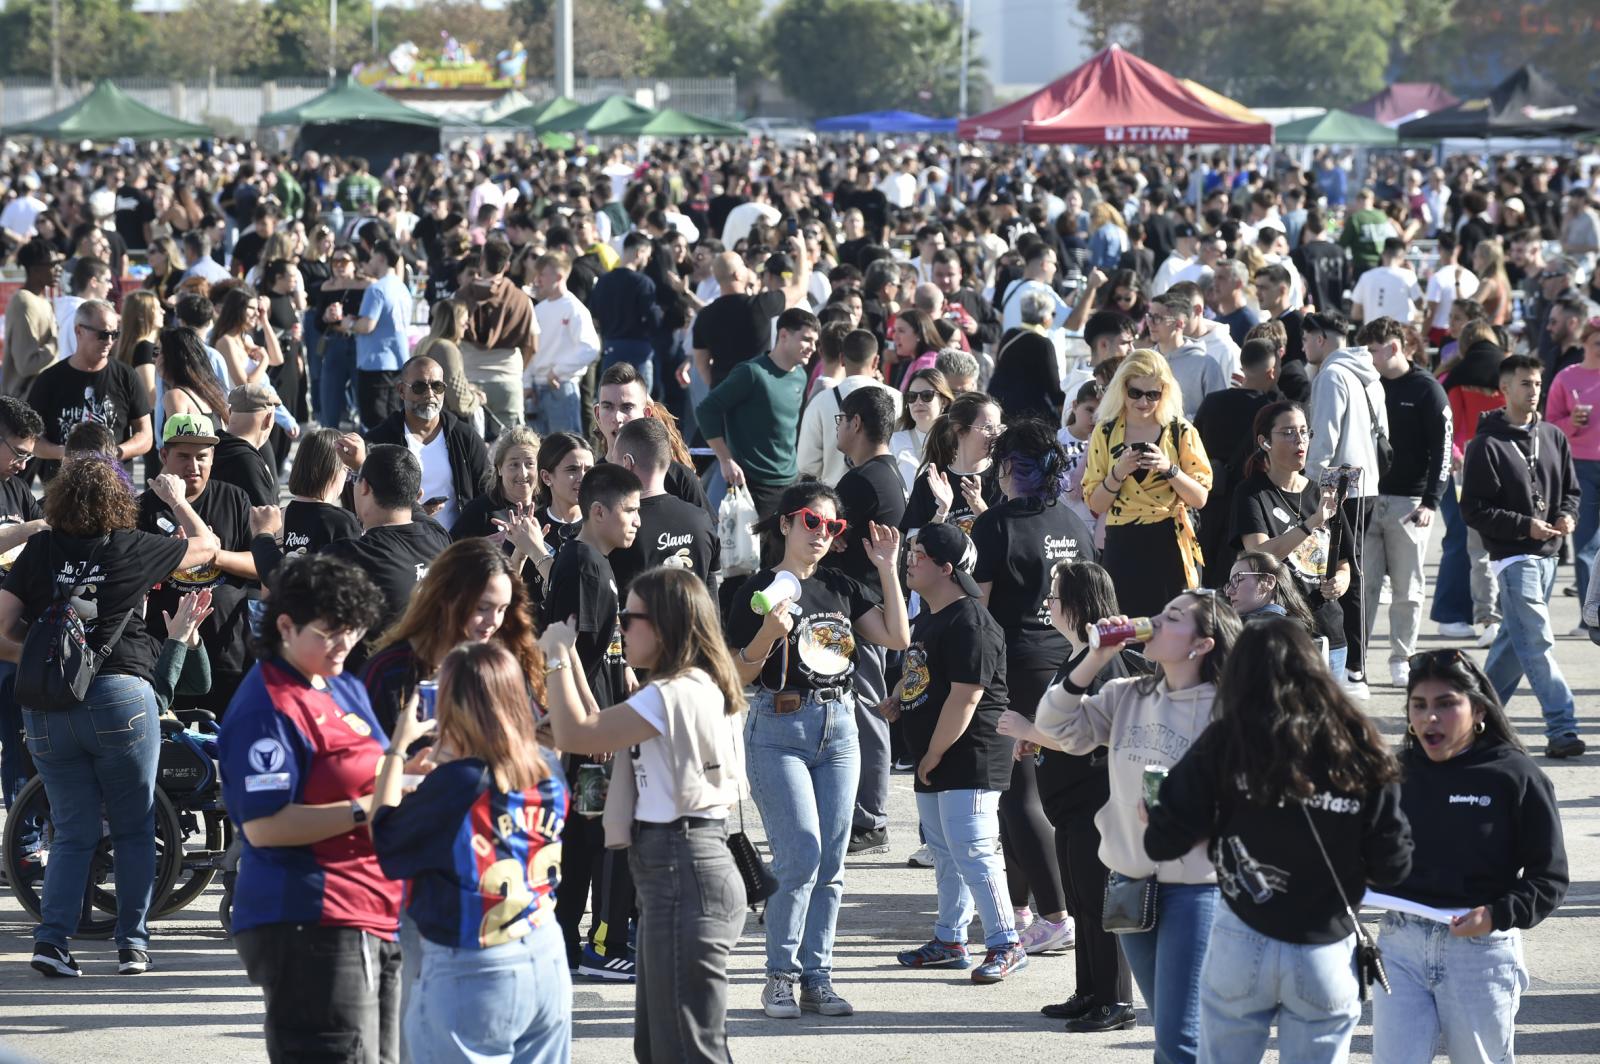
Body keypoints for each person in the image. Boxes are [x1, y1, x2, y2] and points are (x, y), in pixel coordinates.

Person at [1145, 620, 1414, 1064]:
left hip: (1241, 936)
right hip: (1324, 944)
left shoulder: (1226, 742)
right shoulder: (1359, 746)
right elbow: (1394, 866)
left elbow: (1162, 841)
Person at [1008, 589, 1240, 1064]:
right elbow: (1056, 724)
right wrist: (1093, 657)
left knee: (1179, 1035)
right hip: (1127, 878)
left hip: (1196, 888)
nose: (1153, 620)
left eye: (1172, 617)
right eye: (1159, 610)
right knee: (1167, 1019)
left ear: (1202, 645)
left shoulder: (1227, 711)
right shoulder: (1128, 694)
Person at [3, 460, 215, 978]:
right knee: (133, 826)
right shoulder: (130, 546)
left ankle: (52, 941)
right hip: (120, 696)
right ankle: (132, 945)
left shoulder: (39, 550)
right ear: (118, 504)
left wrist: (46, 662)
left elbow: (0, 632)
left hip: (47, 707)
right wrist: (177, 500)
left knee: (71, 829)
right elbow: (207, 546)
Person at [541, 567, 748, 1063]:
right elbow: (586, 734)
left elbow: (578, 735)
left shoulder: (672, 692)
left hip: (686, 866)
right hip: (679, 866)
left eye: (628, 618)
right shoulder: (685, 687)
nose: (620, 628)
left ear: (663, 625)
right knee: (659, 1046)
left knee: (686, 1049)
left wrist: (556, 654)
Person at [218, 553, 413, 1062]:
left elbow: (370, 774)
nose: (345, 643)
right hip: (311, 917)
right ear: (285, 625)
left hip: (375, 911)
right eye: (329, 631)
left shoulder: (342, 681)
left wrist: (414, 774)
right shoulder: (268, 705)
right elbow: (263, 827)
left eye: (353, 629)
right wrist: (364, 809)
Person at [726, 482, 909, 1019]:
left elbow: (897, 637)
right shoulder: (754, 588)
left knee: (831, 860)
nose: (822, 534)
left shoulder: (839, 585)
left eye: (833, 527)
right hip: (778, 727)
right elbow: (739, 671)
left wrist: (888, 567)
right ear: (785, 523)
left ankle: (818, 976)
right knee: (801, 852)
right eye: (812, 521)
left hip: (840, 726)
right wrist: (767, 631)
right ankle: (778, 977)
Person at [370, 640, 568, 1064]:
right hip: (544, 946)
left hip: (476, 962)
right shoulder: (547, 765)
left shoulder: (460, 782)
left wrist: (396, 750)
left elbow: (384, 841)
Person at [1372, 649, 1568, 1062]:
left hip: (1480, 953)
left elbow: (1548, 878)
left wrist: (1495, 915)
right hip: (1399, 947)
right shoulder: (1393, 772)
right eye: (1419, 705)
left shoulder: (1516, 775)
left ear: (1478, 709)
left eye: (1446, 704)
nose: (1430, 718)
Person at [970, 419, 1096, 953]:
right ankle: (1021, 907)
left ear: (1005, 468)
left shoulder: (995, 525)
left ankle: (1055, 911)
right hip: (1069, 662)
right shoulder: (1073, 521)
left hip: (1014, 665)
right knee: (1030, 791)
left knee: (1017, 790)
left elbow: (977, 603)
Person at [884, 523, 1026, 983]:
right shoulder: (930, 617)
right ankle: (950, 938)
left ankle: (1007, 942)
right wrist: (898, 698)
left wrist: (932, 754)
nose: (910, 560)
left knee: (975, 849)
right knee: (945, 852)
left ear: (946, 568)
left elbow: (966, 696)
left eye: (919, 554)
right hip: (937, 754)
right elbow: (924, 672)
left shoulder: (972, 620)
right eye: (910, 551)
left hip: (971, 754)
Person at [542, 462, 642, 980]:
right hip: (588, 734)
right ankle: (579, 945)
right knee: (585, 837)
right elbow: (569, 649)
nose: (636, 522)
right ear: (598, 511)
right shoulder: (582, 563)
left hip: (596, 724)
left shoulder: (596, 561)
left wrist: (622, 669)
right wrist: (593, 721)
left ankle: (575, 941)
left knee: (592, 831)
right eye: (628, 511)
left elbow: (601, 645)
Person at [1459, 354, 1584, 759]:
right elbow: (1473, 510)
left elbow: (1571, 491)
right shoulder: (1485, 444)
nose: (1534, 392)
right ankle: (1562, 726)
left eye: (1537, 384)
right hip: (1515, 559)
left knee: (1514, 648)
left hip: (1548, 557)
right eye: (1525, 384)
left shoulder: (1553, 436)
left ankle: (1471, 721)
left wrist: (1566, 515)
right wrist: (1523, 525)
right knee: (1537, 641)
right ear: (1506, 388)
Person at [827, 387, 910, 854]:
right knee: (865, 707)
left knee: (867, 709)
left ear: (856, 423)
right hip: (874, 606)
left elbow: (831, 536)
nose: (838, 425)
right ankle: (865, 814)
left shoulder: (861, 483)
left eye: (841, 417)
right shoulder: (886, 473)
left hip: (864, 612)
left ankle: (869, 818)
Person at [138, 413, 259, 714]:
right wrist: (174, 554)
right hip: (165, 656)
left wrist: (213, 554)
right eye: (183, 456)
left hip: (227, 654)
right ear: (164, 455)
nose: (194, 466)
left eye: (202, 457)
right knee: (170, 756)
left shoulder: (234, 498)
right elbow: (132, 575)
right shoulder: (140, 509)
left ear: (213, 456)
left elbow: (258, 564)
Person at [361, 535, 542, 734]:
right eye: (482, 608)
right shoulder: (388, 671)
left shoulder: (499, 664)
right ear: (446, 598)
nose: (494, 621)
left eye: (502, 610)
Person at [1083, 348, 1213, 618]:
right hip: (1123, 541)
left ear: (1165, 392)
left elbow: (1200, 498)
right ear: (1122, 389)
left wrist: (1168, 468)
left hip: (1170, 538)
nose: (1143, 402)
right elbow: (1095, 503)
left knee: (1175, 627)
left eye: (1153, 394)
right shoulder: (1105, 432)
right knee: (1124, 628)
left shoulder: (1180, 430)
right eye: (1135, 393)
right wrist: (1119, 472)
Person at [1231, 400, 1353, 673]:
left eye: (1303, 431)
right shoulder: (1251, 493)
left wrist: (1340, 582)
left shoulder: (1322, 492)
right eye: (1287, 432)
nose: (1299, 440)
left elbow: (1344, 562)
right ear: (1264, 442)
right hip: (1278, 633)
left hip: (1328, 632)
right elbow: (1259, 556)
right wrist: (1313, 522)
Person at [1361, 318, 1451, 686]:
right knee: (1362, 586)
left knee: (1407, 588)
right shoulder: (1367, 384)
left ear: (1393, 347)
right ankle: (1356, 658)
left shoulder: (1427, 389)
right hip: (1368, 498)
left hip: (1410, 502)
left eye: (1372, 351)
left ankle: (1402, 657)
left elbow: (1443, 446)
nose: (1368, 358)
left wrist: (1432, 500)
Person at [1304, 310, 1385, 697]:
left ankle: (1355, 668)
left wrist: (1310, 479)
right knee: (1352, 571)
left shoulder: (1333, 374)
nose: (1304, 349)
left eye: (1306, 340)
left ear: (1321, 338)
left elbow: (1323, 437)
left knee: (1346, 573)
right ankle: (1355, 665)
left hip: (1341, 486)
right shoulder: (1369, 373)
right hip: (1365, 483)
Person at [322, 443, 453, 647]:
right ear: (417, 495)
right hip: (436, 667)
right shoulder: (438, 536)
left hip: (377, 673)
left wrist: (264, 534)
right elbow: (411, 505)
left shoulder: (348, 556)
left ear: (364, 487)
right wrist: (364, 468)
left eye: (356, 480)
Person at [697, 306, 820, 516]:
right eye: (806, 339)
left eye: (815, 342)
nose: (812, 348)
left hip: (789, 482)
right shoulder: (751, 373)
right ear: (783, 335)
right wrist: (726, 460)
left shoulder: (800, 374)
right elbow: (706, 410)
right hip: (754, 486)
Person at [362, 356, 492, 533]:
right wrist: (412, 514)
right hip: (401, 545)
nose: (430, 394)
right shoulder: (379, 441)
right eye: (419, 387)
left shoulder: (465, 437)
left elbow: (487, 493)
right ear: (401, 391)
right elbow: (366, 505)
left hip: (456, 547)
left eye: (437, 386)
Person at [27, 298, 154, 479]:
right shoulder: (50, 380)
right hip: (63, 489)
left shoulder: (126, 376)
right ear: (79, 331)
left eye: (115, 334)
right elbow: (32, 439)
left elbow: (145, 435)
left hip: (114, 487)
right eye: (102, 334)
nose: (109, 341)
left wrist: (115, 453)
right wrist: (65, 453)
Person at [1432, 337, 1506, 642]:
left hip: (1461, 465)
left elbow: (1454, 429)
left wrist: (1456, 454)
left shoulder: (1452, 378)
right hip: (1481, 466)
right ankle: (1482, 616)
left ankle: (1472, 616)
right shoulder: (1506, 377)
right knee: (1477, 545)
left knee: (1465, 542)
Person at [1193, 337, 1282, 584]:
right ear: (1272, 372)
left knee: (1207, 574)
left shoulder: (1212, 402)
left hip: (1209, 498)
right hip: (1252, 503)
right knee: (1245, 575)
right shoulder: (1271, 410)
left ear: (1242, 367)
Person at [607, 416, 719, 595]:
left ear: (627, 463)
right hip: (696, 622)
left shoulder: (621, 525)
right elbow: (710, 584)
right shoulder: (701, 519)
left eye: (614, 460)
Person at [1546, 316, 1600, 628]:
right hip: (1580, 466)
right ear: (1584, 343)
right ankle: (1589, 616)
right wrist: (1571, 424)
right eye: (1597, 343)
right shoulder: (1567, 378)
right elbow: (1550, 424)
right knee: (1586, 546)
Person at [797, 328, 901, 487]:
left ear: (842, 359)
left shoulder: (820, 401)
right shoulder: (897, 399)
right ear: (875, 361)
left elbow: (806, 465)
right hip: (886, 493)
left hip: (833, 500)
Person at [461, 236, 540, 432]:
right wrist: (518, 372)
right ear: (507, 265)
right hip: (507, 380)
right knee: (509, 449)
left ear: (481, 261)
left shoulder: (461, 296)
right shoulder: (521, 299)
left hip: (469, 380)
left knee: (469, 450)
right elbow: (533, 345)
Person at [901, 392, 1004, 539]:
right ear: (959, 429)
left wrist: (979, 507)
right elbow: (914, 546)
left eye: (999, 428)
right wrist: (941, 511)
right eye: (987, 427)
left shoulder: (1006, 477)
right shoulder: (930, 482)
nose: (996, 435)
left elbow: (1011, 543)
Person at [526, 251, 599, 436]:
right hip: (536, 390)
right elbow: (530, 349)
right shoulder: (538, 309)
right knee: (540, 454)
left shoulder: (575, 308)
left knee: (565, 452)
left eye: (543, 274)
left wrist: (557, 371)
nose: (538, 279)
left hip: (562, 388)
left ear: (558, 276)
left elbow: (591, 347)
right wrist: (526, 382)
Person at [343, 239, 412, 430]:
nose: (370, 261)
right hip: (399, 362)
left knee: (375, 425)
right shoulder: (403, 288)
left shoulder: (376, 289)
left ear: (380, 258)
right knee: (394, 421)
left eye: (373, 256)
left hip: (375, 364)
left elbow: (367, 325)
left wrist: (349, 323)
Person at [590, 233, 661, 393]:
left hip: (611, 346)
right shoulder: (643, 282)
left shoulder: (603, 281)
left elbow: (594, 316)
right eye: (647, 256)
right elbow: (654, 320)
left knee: (611, 397)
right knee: (639, 401)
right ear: (639, 253)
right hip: (638, 349)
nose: (647, 261)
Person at [278, 427, 362, 557]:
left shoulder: (276, 518)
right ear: (334, 470)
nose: (347, 477)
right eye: (347, 470)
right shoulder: (342, 522)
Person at [989, 290, 1068, 422]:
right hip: (1028, 413)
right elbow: (1054, 390)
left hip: (1001, 407)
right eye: (1053, 314)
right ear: (1045, 318)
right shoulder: (1044, 344)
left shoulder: (1010, 335)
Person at [1148, 292, 1226, 420]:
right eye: (1149, 316)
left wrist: (1175, 424)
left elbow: (1218, 412)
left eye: (1157, 318)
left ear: (1179, 324)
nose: (1150, 323)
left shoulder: (1206, 364)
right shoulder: (1144, 361)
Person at [2, 239, 61, 399]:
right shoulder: (24, 302)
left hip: (41, 398)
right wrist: (56, 341)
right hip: (24, 404)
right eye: (53, 264)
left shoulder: (42, 301)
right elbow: (26, 366)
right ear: (34, 269)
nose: (59, 269)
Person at [212, 382, 281, 507]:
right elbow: (266, 520)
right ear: (269, 419)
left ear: (230, 412)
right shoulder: (250, 463)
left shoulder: (210, 449)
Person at [889, 367, 955, 493]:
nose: (918, 402)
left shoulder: (959, 440)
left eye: (927, 395)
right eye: (912, 396)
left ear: (944, 401)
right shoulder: (894, 442)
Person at [1225, 550, 1318, 630]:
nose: (1228, 592)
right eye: (1229, 584)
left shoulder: (1267, 627)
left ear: (1268, 582)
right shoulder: (1295, 624)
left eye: (1238, 580)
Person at [1350, 238, 1424, 325]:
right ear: (1402, 255)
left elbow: (1355, 314)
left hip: (1372, 333)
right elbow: (1421, 305)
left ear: (1383, 254)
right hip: (1399, 332)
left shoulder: (1365, 276)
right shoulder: (1408, 275)